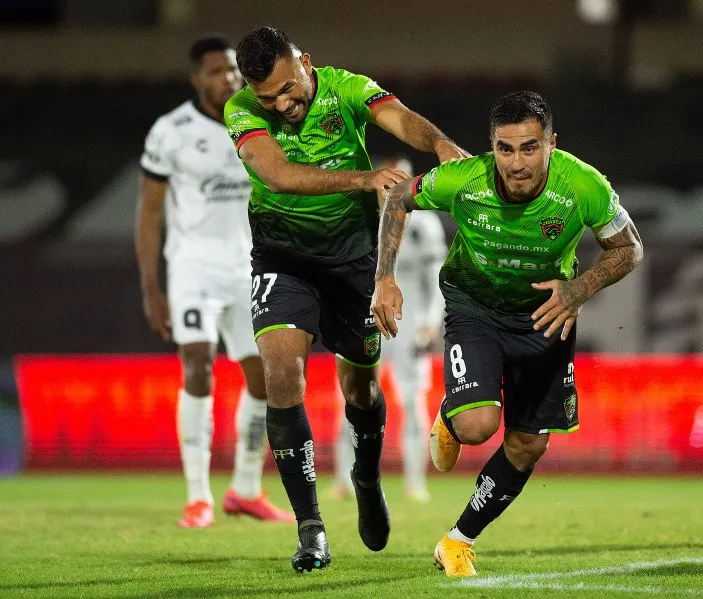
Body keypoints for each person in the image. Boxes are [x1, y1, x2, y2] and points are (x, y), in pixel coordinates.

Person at [225, 26, 468, 572]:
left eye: (290, 89)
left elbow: (400, 118)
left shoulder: (346, 88)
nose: (284, 105)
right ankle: (310, 527)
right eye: (271, 98)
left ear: (306, 63)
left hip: (354, 261)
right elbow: (278, 175)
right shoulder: (241, 109)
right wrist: (362, 179)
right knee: (283, 375)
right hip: (283, 259)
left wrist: (437, 143)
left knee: (360, 386)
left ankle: (366, 475)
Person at [371, 91, 644, 576]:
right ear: (491, 146)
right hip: (475, 307)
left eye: (529, 148)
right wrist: (385, 279)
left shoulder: (583, 186)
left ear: (551, 145)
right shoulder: (463, 179)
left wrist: (581, 288)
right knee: (478, 426)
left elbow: (629, 249)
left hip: (546, 316)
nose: (517, 163)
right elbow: (397, 199)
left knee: (528, 445)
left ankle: (457, 541)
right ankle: (454, 417)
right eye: (505, 148)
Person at [136, 36, 293, 528]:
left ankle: (245, 489)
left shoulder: (260, 121)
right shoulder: (172, 131)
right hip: (192, 269)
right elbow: (149, 212)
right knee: (198, 367)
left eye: (231, 70)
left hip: (249, 267)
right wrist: (151, 287)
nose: (225, 79)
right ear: (195, 79)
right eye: (214, 72)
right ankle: (198, 496)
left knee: (264, 379)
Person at [331, 156, 447, 504]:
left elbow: (437, 278)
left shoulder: (423, 224)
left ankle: (414, 481)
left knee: (411, 401)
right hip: (364, 317)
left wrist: (430, 321)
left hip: (407, 320)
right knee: (350, 397)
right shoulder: (355, 220)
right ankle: (342, 478)